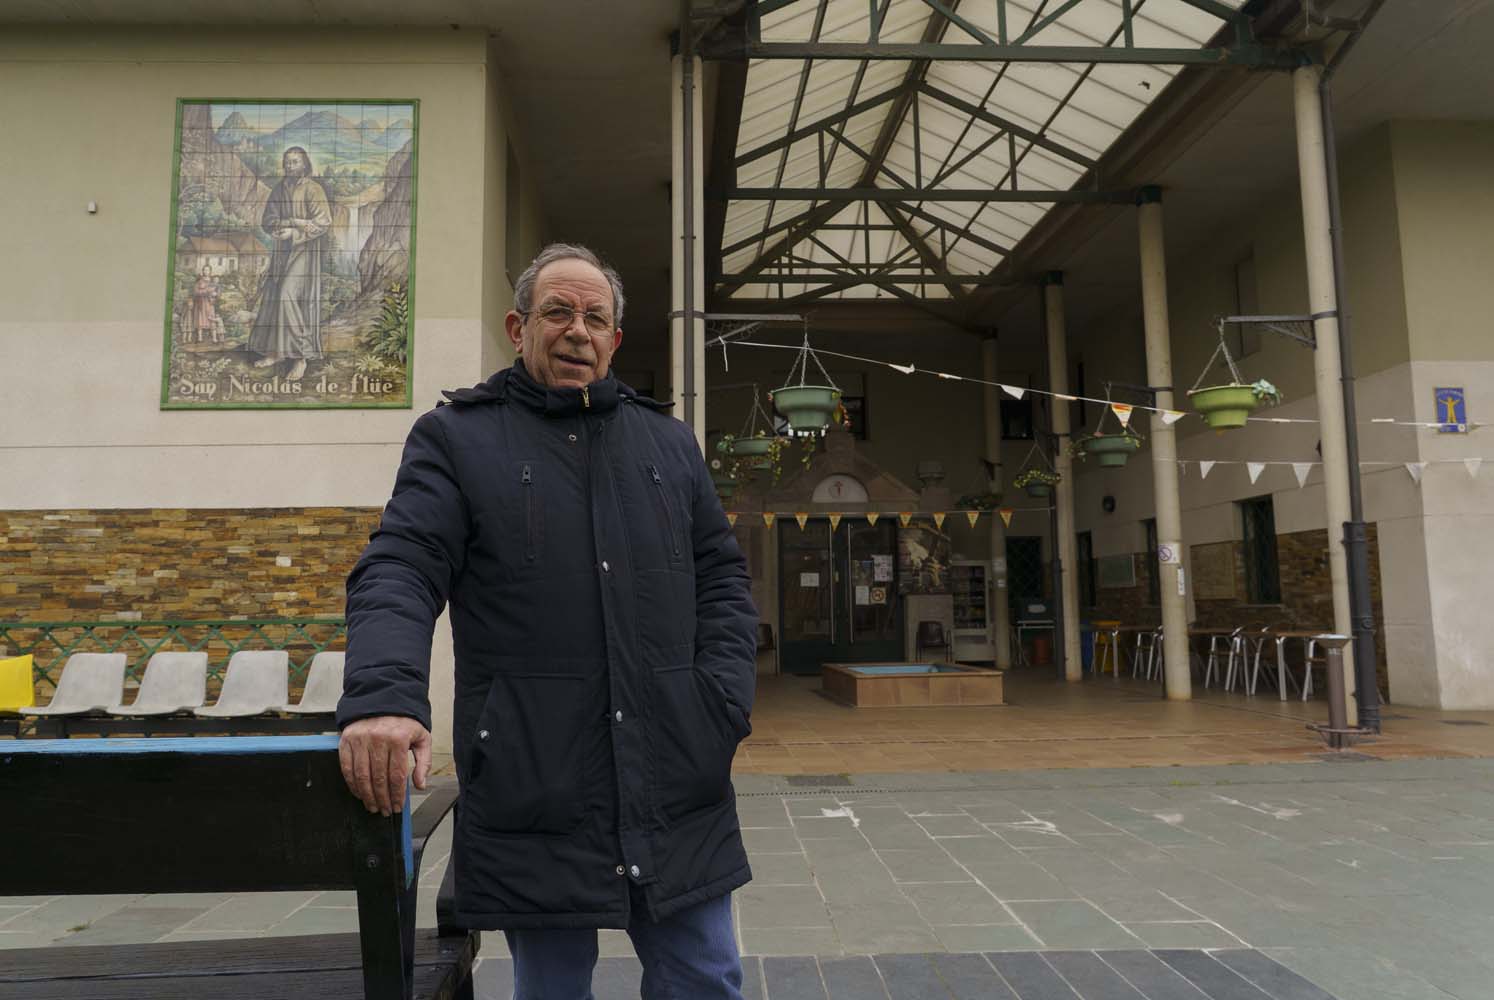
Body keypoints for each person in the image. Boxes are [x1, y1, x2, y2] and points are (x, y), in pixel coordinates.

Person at [336, 243, 757, 1000]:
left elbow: (722, 577)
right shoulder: (458, 439)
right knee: (552, 990)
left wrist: (720, 700)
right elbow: (401, 565)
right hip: (535, 778)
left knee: (706, 979)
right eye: (558, 312)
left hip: (674, 772)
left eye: (595, 318)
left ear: (615, 340)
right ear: (518, 327)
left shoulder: (668, 444)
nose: (577, 331)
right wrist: (385, 697)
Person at [248, 146, 331, 380]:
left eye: (294, 162)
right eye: (287, 162)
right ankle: (276, 352)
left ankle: (300, 357)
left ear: (304, 164)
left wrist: (295, 230)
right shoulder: (279, 188)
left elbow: (323, 222)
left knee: (288, 295)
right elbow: (268, 220)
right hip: (282, 251)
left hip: (305, 251)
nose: (289, 166)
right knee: (275, 296)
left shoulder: (314, 189)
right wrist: (282, 227)